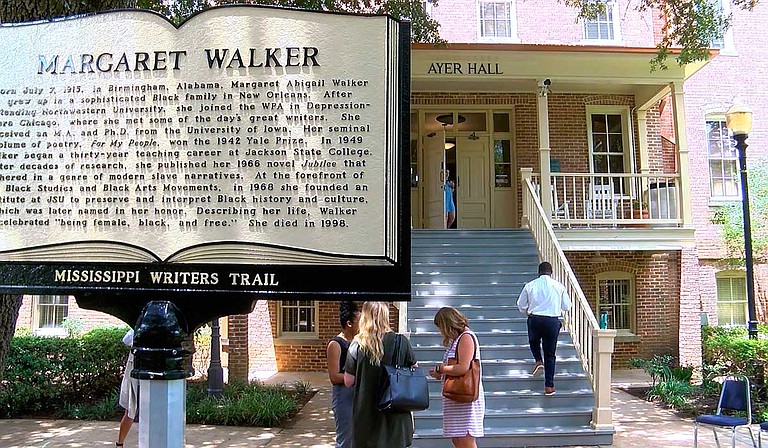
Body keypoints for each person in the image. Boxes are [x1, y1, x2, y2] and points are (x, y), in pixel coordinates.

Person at [344, 301, 416, 448]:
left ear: (365, 317)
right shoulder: (401, 341)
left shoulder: (357, 344)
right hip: (397, 416)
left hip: (366, 417)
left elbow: (348, 381)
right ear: (386, 316)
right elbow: (414, 370)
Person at [429, 307, 485, 448]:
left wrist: (441, 369)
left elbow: (462, 367)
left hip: (465, 398)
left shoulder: (466, 337)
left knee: (465, 440)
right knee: (458, 440)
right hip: (457, 398)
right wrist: (442, 372)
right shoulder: (457, 339)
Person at [516, 261, 572, 396]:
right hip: (552, 321)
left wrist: (528, 312)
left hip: (535, 319)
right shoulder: (559, 286)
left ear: (538, 272)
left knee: (534, 341)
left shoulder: (530, 285)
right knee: (550, 354)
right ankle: (549, 386)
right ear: (551, 272)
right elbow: (567, 306)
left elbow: (520, 304)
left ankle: (538, 360)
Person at [326, 301, 360, 448]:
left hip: (358, 395)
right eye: (360, 322)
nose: (363, 325)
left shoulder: (359, 342)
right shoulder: (336, 344)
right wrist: (357, 378)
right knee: (345, 439)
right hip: (343, 396)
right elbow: (334, 377)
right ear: (349, 323)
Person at [116, 328, 139, 447]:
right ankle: (119, 443)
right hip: (136, 370)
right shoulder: (140, 325)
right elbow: (127, 339)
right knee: (130, 409)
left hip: (154, 373)